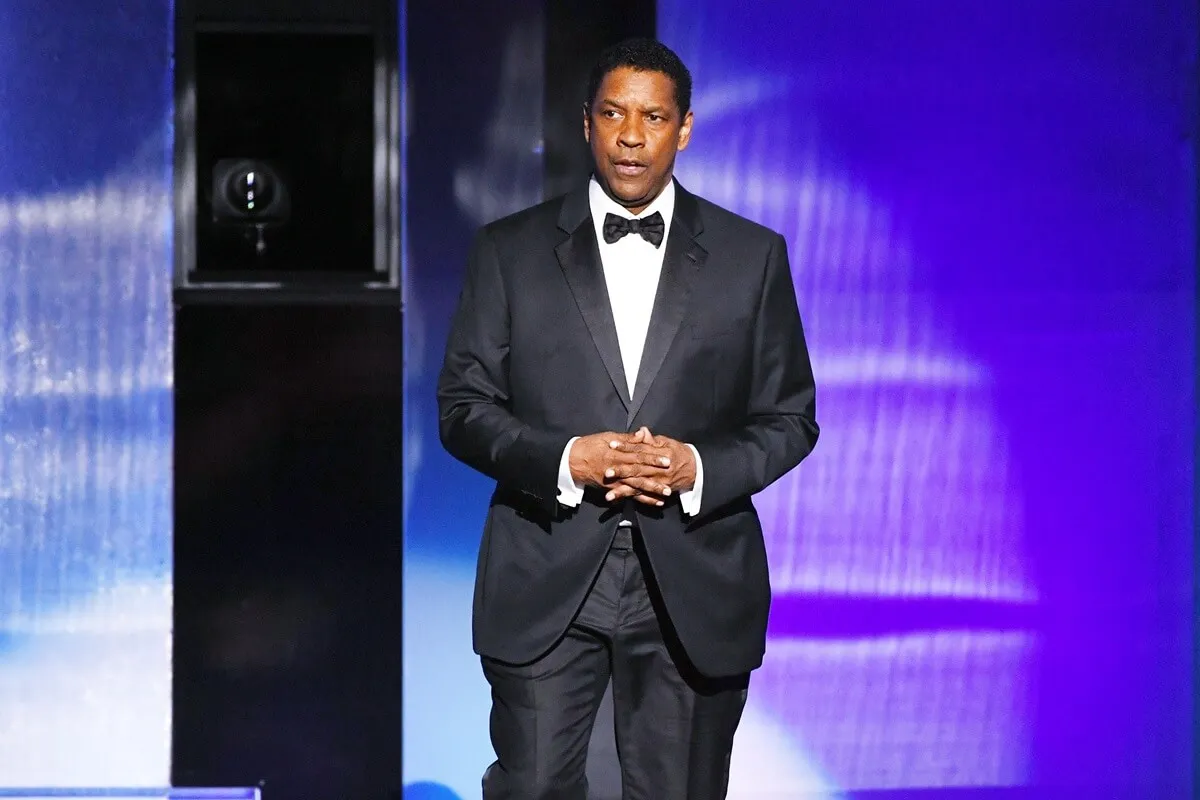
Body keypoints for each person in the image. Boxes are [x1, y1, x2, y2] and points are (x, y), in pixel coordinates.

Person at [437, 37, 818, 799]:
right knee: (533, 786)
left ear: (684, 128)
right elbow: (462, 407)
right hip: (546, 561)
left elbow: (790, 418)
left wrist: (696, 469)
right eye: (613, 114)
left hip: (693, 570)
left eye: (653, 116)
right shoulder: (509, 251)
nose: (632, 135)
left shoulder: (752, 256)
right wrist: (565, 460)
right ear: (586, 124)